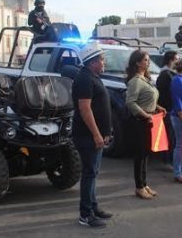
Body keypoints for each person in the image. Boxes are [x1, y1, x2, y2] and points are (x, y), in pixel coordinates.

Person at [72, 41, 112, 228]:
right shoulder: (85, 79)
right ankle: (86, 215)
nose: (104, 63)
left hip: (95, 135)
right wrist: (96, 134)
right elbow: (85, 109)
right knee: (89, 174)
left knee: (93, 173)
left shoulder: (93, 76)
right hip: (87, 136)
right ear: (92, 62)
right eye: (101, 59)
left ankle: (94, 207)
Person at [126, 50, 166, 199]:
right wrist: (145, 114)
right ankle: (139, 186)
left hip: (150, 121)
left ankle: (144, 184)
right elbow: (131, 102)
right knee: (140, 155)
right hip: (140, 122)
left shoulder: (145, 79)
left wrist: (157, 107)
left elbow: (147, 99)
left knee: (145, 154)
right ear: (137, 63)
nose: (148, 63)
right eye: (146, 60)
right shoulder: (135, 81)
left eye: (148, 60)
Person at [156, 51, 179, 170]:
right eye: (176, 59)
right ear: (170, 60)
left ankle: (171, 159)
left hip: (173, 109)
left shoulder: (171, 74)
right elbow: (166, 94)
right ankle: (166, 160)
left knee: (173, 136)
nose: (178, 62)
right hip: (167, 109)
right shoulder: (165, 75)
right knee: (169, 136)